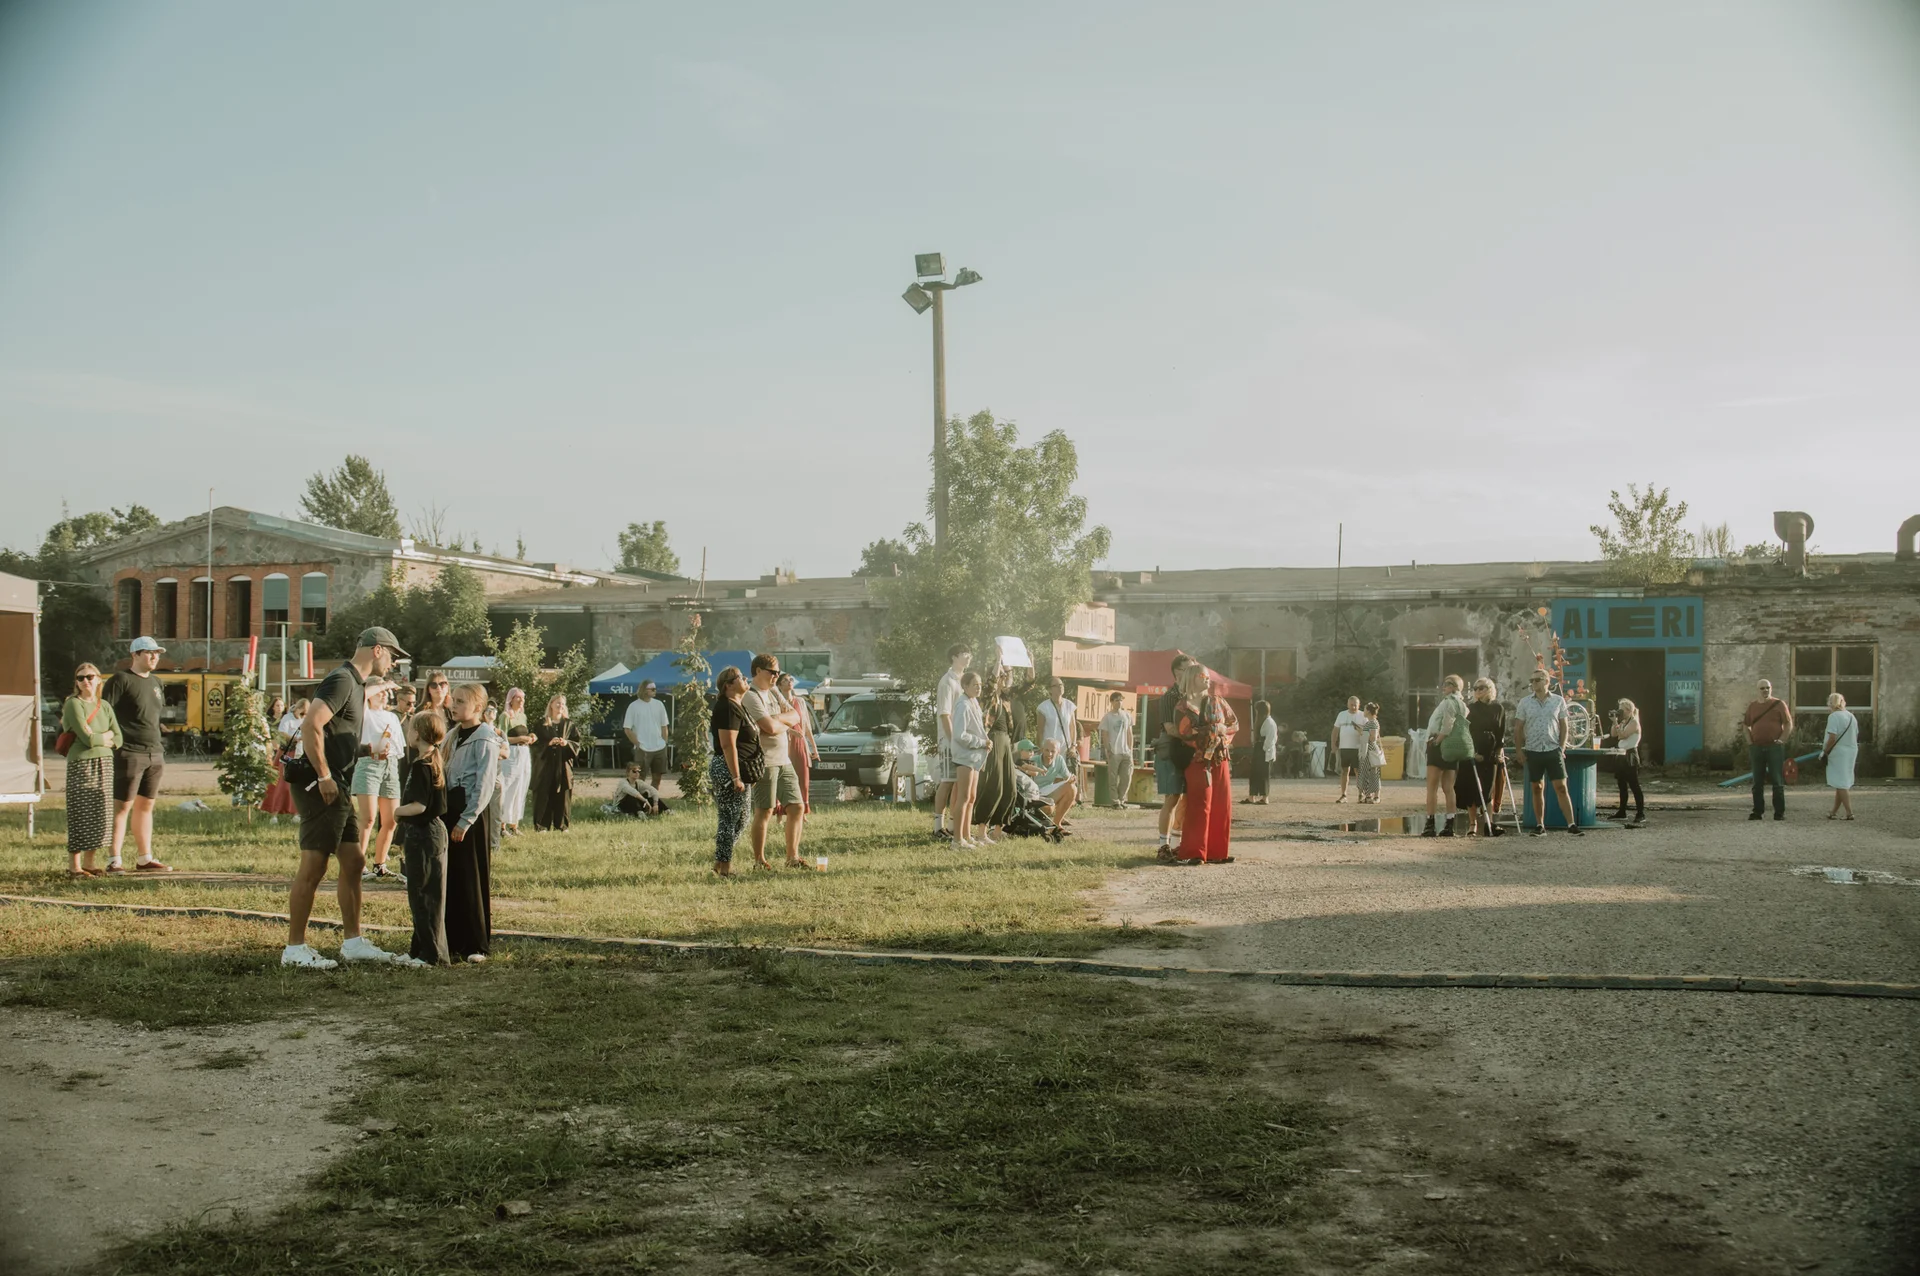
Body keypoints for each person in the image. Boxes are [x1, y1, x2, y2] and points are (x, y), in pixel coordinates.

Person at [283, 627, 420, 968]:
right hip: (322, 785)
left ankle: (353, 942)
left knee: (355, 863)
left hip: (339, 783)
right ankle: (294, 949)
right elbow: (312, 724)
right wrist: (326, 775)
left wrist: (362, 750)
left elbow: (335, 733)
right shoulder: (343, 679)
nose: (392, 663)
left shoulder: (356, 685)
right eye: (392, 655)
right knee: (313, 866)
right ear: (377, 650)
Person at [102, 636, 171, 873]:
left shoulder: (156, 682)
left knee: (146, 805)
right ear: (135, 655)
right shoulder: (121, 680)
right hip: (129, 752)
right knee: (122, 806)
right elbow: (105, 712)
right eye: (149, 653)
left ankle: (145, 858)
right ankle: (114, 859)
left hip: (154, 751)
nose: (154, 657)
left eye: (157, 653)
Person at [443, 682, 500, 961]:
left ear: (478, 707)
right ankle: (453, 939)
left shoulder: (486, 737)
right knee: (453, 876)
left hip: (471, 814)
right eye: (453, 700)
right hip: (450, 808)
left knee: (471, 877)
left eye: (461, 701)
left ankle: (476, 944)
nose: (454, 705)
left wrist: (466, 820)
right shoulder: (453, 735)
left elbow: (485, 783)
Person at [395, 710, 451, 966]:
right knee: (431, 894)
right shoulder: (435, 760)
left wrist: (397, 811)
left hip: (422, 834)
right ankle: (418, 951)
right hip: (436, 833)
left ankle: (429, 955)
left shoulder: (421, 765)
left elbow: (418, 806)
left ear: (417, 734)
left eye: (409, 729)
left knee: (421, 895)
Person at [743, 654, 809, 868]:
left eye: (778, 673)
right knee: (765, 810)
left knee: (797, 807)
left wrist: (778, 720)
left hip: (784, 759)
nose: (776, 677)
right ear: (759, 671)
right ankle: (759, 860)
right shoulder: (750, 696)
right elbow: (768, 728)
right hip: (764, 761)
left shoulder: (773, 691)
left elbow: (795, 716)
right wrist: (781, 723)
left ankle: (792, 858)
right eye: (773, 673)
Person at [1174, 663, 1238, 864]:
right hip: (1198, 759)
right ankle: (1194, 852)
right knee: (1199, 804)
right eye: (1204, 676)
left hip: (1220, 757)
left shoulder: (1218, 700)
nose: (1208, 680)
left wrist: (1219, 735)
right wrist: (1212, 732)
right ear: (1193, 678)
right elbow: (1184, 733)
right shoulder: (1182, 706)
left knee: (1222, 804)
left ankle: (1217, 852)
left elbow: (1233, 724)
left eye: (1208, 676)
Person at [61, 663, 119, 877]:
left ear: (98, 680)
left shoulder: (104, 705)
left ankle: (90, 862)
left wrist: (101, 739)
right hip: (82, 764)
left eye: (90, 676)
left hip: (105, 763)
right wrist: (105, 737)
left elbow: (119, 736)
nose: (86, 681)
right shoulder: (73, 704)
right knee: (80, 812)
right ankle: (74, 866)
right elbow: (87, 739)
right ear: (76, 682)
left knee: (100, 814)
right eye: (80, 677)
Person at [1514, 670, 1582, 837]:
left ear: (1546, 682)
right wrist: (1518, 750)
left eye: (1537, 680)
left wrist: (1562, 747)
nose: (1534, 683)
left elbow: (1564, 725)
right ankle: (1539, 825)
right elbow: (1518, 727)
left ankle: (1571, 824)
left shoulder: (1558, 701)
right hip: (1533, 749)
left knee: (1561, 786)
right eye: (1532, 680)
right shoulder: (1525, 702)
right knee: (1537, 787)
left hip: (1552, 749)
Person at [708, 665, 758, 876]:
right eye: (739, 677)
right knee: (729, 818)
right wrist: (736, 776)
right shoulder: (727, 707)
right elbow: (728, 744)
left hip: (739, 769)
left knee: (742, 818)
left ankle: (721, 860)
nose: (745, 678)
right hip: (728, 768)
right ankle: (725, 868)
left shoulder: (737, 705)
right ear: (728, 686)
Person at [354, 680, 405, 881]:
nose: (384, 695)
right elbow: (362, 695)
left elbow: (398, 746)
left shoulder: (391, 716)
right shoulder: (365, 713)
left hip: (390, 764)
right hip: (369, 763)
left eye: (386, 693)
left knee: (391, 820)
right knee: (368, 818)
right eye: (380, 692)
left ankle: (380, 864)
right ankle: (357, 865)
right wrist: (383, 684)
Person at [971, 664, 1020, 844]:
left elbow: (1029, 683)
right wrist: (998, 659)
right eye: (1005, 674)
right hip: (993, 740)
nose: (1008, 677)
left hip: (1006, 741)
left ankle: (998, 830)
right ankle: (982, 831)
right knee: (994, 786)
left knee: (1010, 787)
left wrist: (1030, 662)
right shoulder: (988, 695)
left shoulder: (1006, 696)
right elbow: (991, 684)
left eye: (1009, 674)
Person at [1154, 653, 1196, 860]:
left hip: (1190, 751)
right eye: (1188, 669)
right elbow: (1170, 729)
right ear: (1177, 673)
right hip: (1171, 750)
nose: (1193, 674)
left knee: (1189, 799)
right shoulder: (1169, 697)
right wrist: (1197, 735)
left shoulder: (1196, 697)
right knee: (1172, 797)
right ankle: (1164, 846)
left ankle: (1182, 845)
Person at [933, 642, 973, 840]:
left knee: (959, 784)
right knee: (947, 781)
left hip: (962, 741)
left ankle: (952, 825)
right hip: (950, 741)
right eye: (963, 653)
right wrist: (952, 740)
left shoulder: (964, 680)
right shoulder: (947, 681)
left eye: (969, 653)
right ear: (954, 658)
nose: (968, 657)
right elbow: (944, 714)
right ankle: (937, 826)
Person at [1458, 680, 1508, 835]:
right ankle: (1472, 824)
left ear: (1490, 689)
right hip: (1473, 750)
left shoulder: (1497, 708)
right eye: (1475, 688)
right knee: (1472, 788)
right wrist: (1472, 752)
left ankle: (1489, 823)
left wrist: (1499, 750)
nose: (1478, 691)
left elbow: (1501, 731)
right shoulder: (1470, 708)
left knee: (1488, 788)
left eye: (1481, 688)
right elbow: (1464, 732)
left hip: (1490, 751)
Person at [1422, 675, 1469, 837]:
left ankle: (1430, 825)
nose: (1443, 687)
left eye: (1447, 684)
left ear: (1455, 687)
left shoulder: (1448, 702)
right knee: (1448, 788)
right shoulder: (1463, 705)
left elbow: (1447, 724)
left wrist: (1437, 741)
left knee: (1432, 787)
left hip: (1440, 743)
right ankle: (1450, 824)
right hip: (1453, 747)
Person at [948, 670, 990, 847]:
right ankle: (957, 840)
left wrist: (985, 742)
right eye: (975, 684)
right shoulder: (962, 705)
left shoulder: (974, 702)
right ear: (965, 686)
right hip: (965, 756)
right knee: (963, 798)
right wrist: (981, 742)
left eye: (980, 684)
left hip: (975, 757)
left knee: (972, 797)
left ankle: (967, 835)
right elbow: (959, 735)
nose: (979, 688)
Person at [1743, 678, 1793, 821]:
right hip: (1757, 747)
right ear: (1757, 690)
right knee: (1757, 782)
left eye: (1767, 687)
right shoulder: (1752, 706)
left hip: (1774, 747)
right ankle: (1757, 811)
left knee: (1777, 781)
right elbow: (1745, 726)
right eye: (1762, 688)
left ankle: (1779, 812)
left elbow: (1788, 724)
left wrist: (1782, 740)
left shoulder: (1779, 704)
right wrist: (1750, 743)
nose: (1765, 690)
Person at [529, 695, 581, 831]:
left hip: (563, 765)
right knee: (543, 794)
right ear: (551, 704)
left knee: (563, 794)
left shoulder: (569, 724)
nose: (560, 706)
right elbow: (534, 745)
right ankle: (541, 825)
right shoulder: (542, 724)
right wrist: (548, 744)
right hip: (545, 765)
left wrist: (566, 743)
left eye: (563, 704)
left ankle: (562, 825)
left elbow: (577, 744)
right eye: (558, 703)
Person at [777, 672, 816, 817]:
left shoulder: (800, 701)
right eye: (785, 680)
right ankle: (781, 813)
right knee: (782, 777)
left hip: (800, 742)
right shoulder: (776, 702)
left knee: (803, 777)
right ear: (779, 685)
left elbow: (806, 726)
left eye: (790, 680)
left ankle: (803, 813)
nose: (789, 682)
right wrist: (790, 732)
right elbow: (775, 722)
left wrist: (813, 747)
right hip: (783, 740)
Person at [621, 679, 671, 790]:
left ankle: (653, 800)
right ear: (644, 690)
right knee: (639, 777)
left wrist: (664, 742)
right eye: (652, 689)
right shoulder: (633, 706)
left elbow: (664, 726)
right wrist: (638, 744)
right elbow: (627, 729)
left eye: (655, 689)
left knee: (657, 777)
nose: (655, 691)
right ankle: (638, 802)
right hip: (643, 748)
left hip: (659, 747)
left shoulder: (659, 704)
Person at [1604, 698, 1646, 827]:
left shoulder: (1634, 722)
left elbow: (1623, 735)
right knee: (1621, 784)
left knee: (1634, 785)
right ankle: (1622, 811)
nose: (1619, 712)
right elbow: (1613, 734)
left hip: (1630, 754)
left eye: (1621, 710)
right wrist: (1615, 721)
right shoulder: (1624, 721)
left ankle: (1640, 813)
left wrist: (1616, 722)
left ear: (1628, 710)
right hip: (1621, 754)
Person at [497, 687, 533, 836]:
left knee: (521, 786)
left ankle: (515, 824)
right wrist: (519, 739)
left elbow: (524, 734)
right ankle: (502, 826)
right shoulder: (505, 716)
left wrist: (530, 737)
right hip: (511, 754)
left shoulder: (522, 716)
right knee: (508, 787)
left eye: (522, 697)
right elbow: (500, 737)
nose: (520, 700)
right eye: (517, 697)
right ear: (511, 699)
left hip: (524, 753)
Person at [1821, 692, 1859, 821]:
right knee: (1841, 781)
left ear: (1830, 704)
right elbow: (1856, 734)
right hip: (1851, 750)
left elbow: (1832, 737)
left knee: (1841, 783)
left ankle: (1849, 812)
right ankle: (1833, 812)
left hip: (1838, 752)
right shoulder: (1851, 716)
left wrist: (1825, 751)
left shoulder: (1833, 717)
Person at [261, 699, 303, 818]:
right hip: (285, 750)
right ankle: (274, 809)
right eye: (277, 705)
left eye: (281, 705)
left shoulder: (298, 718)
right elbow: (279, 733)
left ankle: (295, 811)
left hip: (297, 751)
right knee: (280, 782)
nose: (280, 707)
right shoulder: (282, 719)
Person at [1027, 737, 1081, 828]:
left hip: (1049, 792)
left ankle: (1057, 824)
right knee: (1049, 809)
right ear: (1042, 750)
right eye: (1047, 750)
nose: (1049, 754)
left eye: (1053, 751)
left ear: (1058, 752)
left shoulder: (1059, 760)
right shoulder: (1034, 760)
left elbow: (1067, 777)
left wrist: (1072, 779)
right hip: (1035, 795)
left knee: (1072, 788)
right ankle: (1052, 819)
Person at [1097, 691, 1135, 809]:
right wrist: (1108, 749)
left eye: (1121, 700)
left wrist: (1130, 749)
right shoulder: (1107, 717)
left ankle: (1122, 799)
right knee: (1113, 778)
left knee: (1126, 777)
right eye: (1117, 700)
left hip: (1126, 752)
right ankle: (1115, 801)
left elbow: (1129, 733)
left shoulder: (1127, 715)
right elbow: (1105, 734)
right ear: (1112, 702)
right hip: (1114, 751)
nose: (1119, 702)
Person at [1330, 696, 1366, 803]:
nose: (1353, 707)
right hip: (1344, 747)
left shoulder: (1363, 716)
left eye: (1356, 705)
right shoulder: (1342, 715)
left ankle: (1361, 793)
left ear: (1359, 705)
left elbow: (1368, 732)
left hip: (1358, 748)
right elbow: (1335, 730)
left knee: (1358, 771)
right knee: (1344, 770)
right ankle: (1344, 794)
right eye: (1351, 704)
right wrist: (1333, 744)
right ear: (1347, 704)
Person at [1245, 700, 1276, 805]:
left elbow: (1271, 739)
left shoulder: (1270, 722)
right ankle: (1252, 796)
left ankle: (1265, 797)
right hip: (1259, 748)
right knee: (1254, 773)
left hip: (1264, 750)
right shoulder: (1262, 721)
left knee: (1264, 774)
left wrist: (1263, 748)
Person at [1037, 677, 1077, 755]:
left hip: (1065, 750)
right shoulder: (1043, 707)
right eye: (1056, 685)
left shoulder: (1069, 705)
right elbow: (1040, 731)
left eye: (1061, 685)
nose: (1060, 687)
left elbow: (1073, 728)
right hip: (1049, 751)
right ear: (1050, 689)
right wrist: (1041, 748)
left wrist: (1073, 746)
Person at [1356, 702, 1384, 804]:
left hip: (1370, 749)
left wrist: (1362, 732)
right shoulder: (1370, 722)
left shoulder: (1372, 722)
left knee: (1373, 773)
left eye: (1364, 709)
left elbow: (1373, 737)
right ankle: (1369, 795)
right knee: (1367, 772)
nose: (1363, 711)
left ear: (1368, 711)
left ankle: (1376, 796)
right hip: (1367, 749)